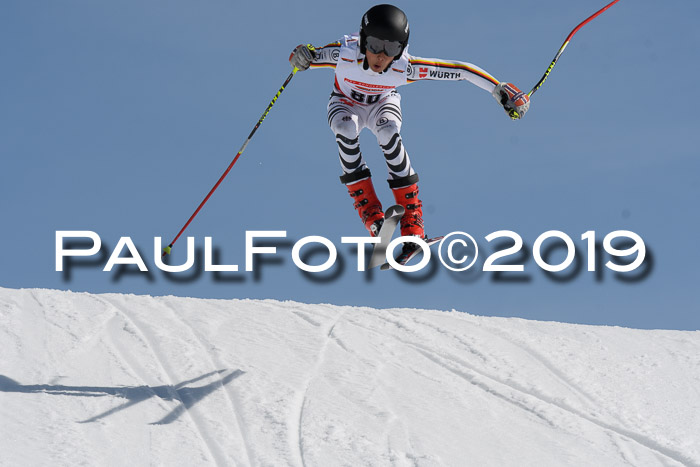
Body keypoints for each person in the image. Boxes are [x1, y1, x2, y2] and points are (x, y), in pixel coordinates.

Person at [289, 4, 529, 255]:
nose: (381, 56)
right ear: (362, 41)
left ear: (401, 49)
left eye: (391, 48)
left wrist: (499, 89)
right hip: (345, 102)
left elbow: (460, 70)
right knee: (344, 128)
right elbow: (306, 56)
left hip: (382, 103)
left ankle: (413, 224)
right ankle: (370, 213)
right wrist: (301, 55)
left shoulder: (405, 67)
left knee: (388, 132)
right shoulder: (345, 52)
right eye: (374, 45)